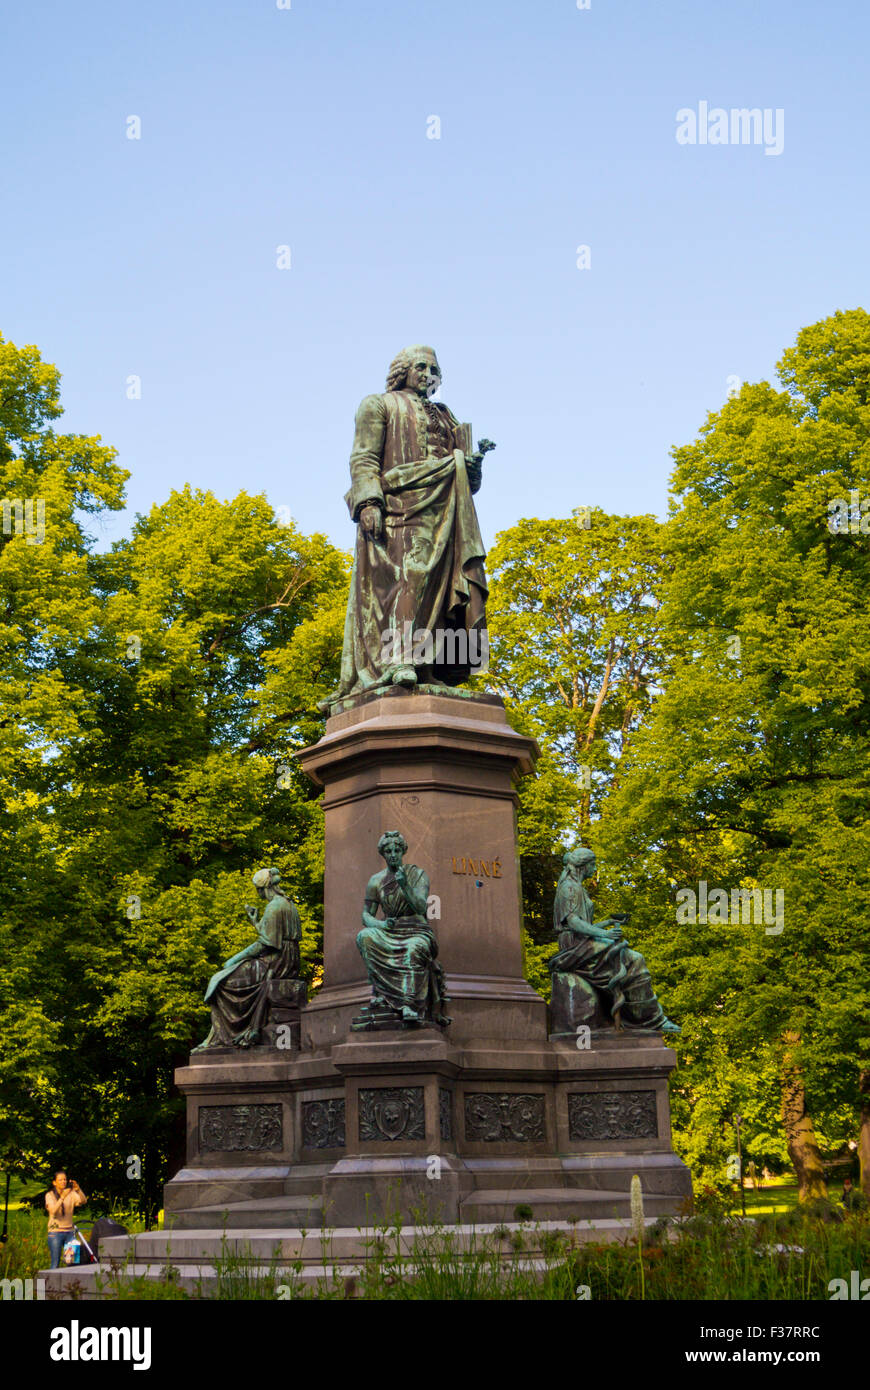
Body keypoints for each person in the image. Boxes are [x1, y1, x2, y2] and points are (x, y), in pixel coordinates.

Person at [325, 345, 492, 704]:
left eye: (434, 368)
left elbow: (469, 482)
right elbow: (364, 457)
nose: (428, 372)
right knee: (413, 575)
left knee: (447, 586)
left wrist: (472, 466)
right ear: (402, 370)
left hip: (447, 506)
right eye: (421, 365)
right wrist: (369, 501)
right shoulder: (378, 404)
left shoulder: (447, 416)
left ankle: (429, 667)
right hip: (402, 504)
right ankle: (400, 658)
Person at [548, 846, 679, 1035]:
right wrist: (606, 935)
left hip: (583, 943)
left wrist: (607, 923)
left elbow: (582, 924)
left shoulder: (577, 887)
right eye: (593, 865)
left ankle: (642, 1018)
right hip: (574, 947)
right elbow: (573, 922)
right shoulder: (570, 888)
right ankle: (651, 1019)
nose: (594, 869)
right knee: (634, 959)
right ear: (583, 866)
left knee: (630, 959)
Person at [193, 866, 301, 1050]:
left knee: (222, 982)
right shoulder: (287, 903)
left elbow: (264, 944)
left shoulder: (274, 906)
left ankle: (224, 1036)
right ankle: (222, 1035)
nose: (257, 893)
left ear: (263, 888)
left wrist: (234, 959)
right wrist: (256, 922)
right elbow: (272, 937)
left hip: (276, 962)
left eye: (257, 889)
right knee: (227, 976)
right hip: (287, 958)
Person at [353, 830, 450, 1028]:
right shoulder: (376, 881)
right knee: (365, 936)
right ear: (383, 854)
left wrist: (405, 885)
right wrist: (380, 924)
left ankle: (409, 1003)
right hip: (390, 930)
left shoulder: (417, 875)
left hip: (417, 930)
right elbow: (366, 915)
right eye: (388, 851)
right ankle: (382, 993)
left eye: (397, 850)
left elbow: (422, 907)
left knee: (415, 947)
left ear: (403, 851)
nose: (393, 854)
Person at [45, 1170, 86, 1268]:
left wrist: (78, 1190)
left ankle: (72, 1283)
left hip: (69, 1233)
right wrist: (62, 1197)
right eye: (60, 1180)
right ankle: (51, 1282)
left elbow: (83, 1201)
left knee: (72, 1262)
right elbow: (53, 1211)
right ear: (54, 1182)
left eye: (65, 1179)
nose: (63, 1182)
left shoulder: (70, 1193)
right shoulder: (49, 1195)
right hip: (55, 1233)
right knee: (55, 1263)